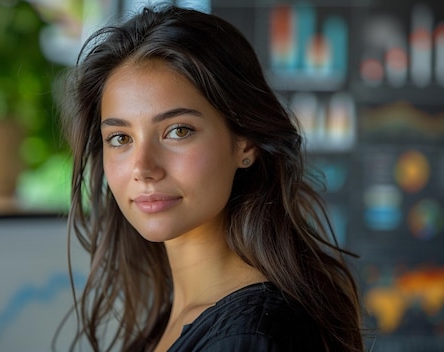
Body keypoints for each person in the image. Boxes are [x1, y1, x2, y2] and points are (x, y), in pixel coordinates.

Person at [60, 4, 364, 352]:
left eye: (178, 131)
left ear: (244, 142)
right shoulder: (177, 319)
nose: (143, 168)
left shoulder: (247, 337)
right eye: (120, 138)